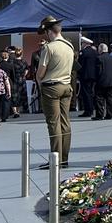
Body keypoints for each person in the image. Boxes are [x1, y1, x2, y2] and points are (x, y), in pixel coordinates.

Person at [36, 16, 75, 170]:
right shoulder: (69, 46)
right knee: (65, 123)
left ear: (48, 31)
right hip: (66, 85)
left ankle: (55, 159)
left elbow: (40, 72)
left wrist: (40, 80)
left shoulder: (49, 48)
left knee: (54, 123)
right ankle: (64, 159)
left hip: (51, 87)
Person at [76, 37, 99, 118]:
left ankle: (88, 111)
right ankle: (91, 109)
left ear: (85, 43)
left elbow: (80, 65)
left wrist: (78, 73)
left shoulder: (83, 52)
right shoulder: (95, 52)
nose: (81, 45)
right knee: (91, 93)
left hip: (85, 76)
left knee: (86, 93)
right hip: (93, 76)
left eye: (82, 43)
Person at [94, 42, 112, 120]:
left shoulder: (99, 58)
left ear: (100, 49)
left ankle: (100, 115)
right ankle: (109, 114)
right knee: (110, 99)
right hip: (111, 82)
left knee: (99, 99)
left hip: (102, 82)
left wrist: (96, 79)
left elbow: (98, 71)